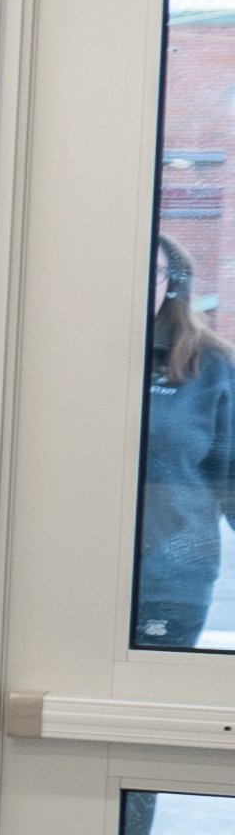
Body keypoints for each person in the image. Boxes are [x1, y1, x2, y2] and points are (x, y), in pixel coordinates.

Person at [139, 234, 235, 652]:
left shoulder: (211, 369)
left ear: (171, 282)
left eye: (152, 273)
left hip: (171, 579)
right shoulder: (58, 356)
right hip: (68, 570)